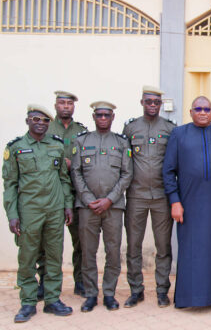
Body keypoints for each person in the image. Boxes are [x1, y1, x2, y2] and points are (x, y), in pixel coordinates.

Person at [162, 96, 211, 308]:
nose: (203, 112)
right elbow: (168, 171)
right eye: (198, 109)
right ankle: (187, 298)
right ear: (191, 112)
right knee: (191, 250)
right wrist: (175, 201)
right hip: (189, 204)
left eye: (207, 109)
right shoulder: (178, 134)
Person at [3, 105, 74, 323]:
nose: (40, 123)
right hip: (29, 211)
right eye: (36, 119)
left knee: (54, 256)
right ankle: (28, 303)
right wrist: (12, 214)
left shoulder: (56, 145)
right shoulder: (16, 148)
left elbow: (63, 178)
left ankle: (52, 299)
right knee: (27, 257)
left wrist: (68, 205)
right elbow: (10, 184)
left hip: (54, 210)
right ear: (27, 121)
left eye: (44, 121)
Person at [71, 101, 133, 312]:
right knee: (88, 252)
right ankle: (90, 294)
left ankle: (109, 293)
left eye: (107, 115)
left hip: (113, 207)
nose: (103, 118)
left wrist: (109, 199)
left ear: (113, 117)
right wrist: (88, 199)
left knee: (113, 252)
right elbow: (76, 173)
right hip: (87, 207)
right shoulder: (81, 141)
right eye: (100, 115)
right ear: (94, 117)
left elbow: (127, 174)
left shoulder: (121, 143)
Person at [122, 86, 176, 308]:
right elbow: (124, 160)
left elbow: (174, 162)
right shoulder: (130, 128)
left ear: (160, 104)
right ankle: (136, 290)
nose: (152, 105)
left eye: (156, 102)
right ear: (142, 102)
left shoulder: (170, 129)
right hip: (136, 196)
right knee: (133, 245)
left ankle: (162, 291)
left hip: (162, 196)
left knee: (163, 247)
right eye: (148, 101)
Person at [43, 91, 88, 298]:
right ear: (55, 106)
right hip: (50, 194)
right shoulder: (45, 128)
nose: (66, 106)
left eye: (70, 103)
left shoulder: (82, 131)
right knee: (46, 242)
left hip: (76, 192)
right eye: (62, 103)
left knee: (80, 241)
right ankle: (45, 282)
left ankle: (80, 281)